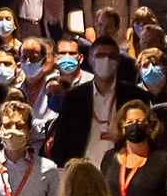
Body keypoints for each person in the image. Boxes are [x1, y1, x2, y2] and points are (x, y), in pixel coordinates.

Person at [51, 38, 147, 167]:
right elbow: (62, 140)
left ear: (118, 61)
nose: (106, 60)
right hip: (84, 169)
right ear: (90, 59)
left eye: (111, 56)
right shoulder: (74, 97)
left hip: (122, 168)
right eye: (100, 55)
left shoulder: (135, 96)